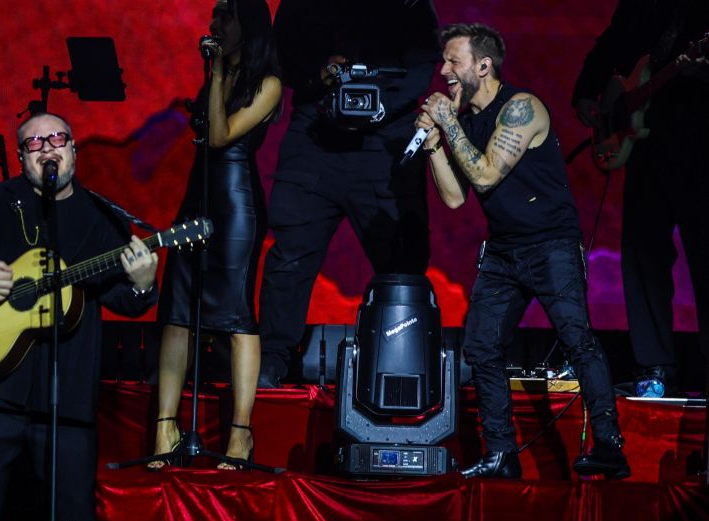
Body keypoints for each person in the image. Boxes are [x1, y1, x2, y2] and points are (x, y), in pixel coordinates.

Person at [0, 112, 159, 520]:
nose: (47, 149)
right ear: (21, 157)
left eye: (58, 139)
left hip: (66, 402)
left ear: (73, 150)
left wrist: (143, 284)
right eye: (34, 143)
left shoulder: (101, 218)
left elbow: (124, 300)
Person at [416, 23, 630, 479]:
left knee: (576, 338)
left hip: (550, 244)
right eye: (443, 61)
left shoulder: (521, 107)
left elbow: (486, 176)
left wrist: (448, 124)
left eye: (453, 61)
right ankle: (501, 454)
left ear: (483, 65)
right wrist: (434, 144)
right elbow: (454, 198)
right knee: (480, 344)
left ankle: (610, 445)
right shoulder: (466, 120)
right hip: (504, 251)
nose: (444, 70)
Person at [256, 0, 440, 388]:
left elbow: (424, 63)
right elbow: (280, 55)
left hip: (386, 139)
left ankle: (406, 364)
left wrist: (382, 107)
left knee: (403, 262)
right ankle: (271, 360)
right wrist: (318, 77)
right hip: (315, 136)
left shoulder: (409, 4)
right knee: (290, 256)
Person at [151, 0, 281, 470]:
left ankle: (240, 435)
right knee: (178, 308)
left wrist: (219, 70)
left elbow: (223, 135)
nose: (215, 24)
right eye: (215, 14)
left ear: (248, 24)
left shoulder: (268, 83)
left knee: (237, 313)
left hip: (236, 203)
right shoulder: (218, 76)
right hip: (199, 193)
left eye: (226, 15)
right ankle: (165, 427)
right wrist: (217, 74)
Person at [572, 0, 709, 398]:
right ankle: (653, 365)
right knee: (642, 256)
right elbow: (612, 42)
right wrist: (587, 91)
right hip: (646, 145)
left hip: (698, 141)